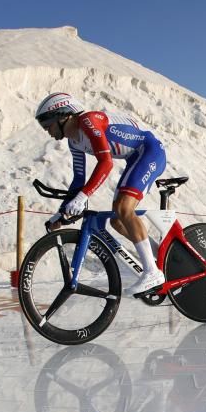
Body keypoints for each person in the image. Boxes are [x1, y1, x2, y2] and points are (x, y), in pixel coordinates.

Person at [35, 92, 167, 296]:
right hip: (135, 158)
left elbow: (106, 163)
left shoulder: (88, 121)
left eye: (48, 126)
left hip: (149, 151)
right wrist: (62, 213)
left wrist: (82, 197)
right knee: (118, 221)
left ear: (63, 116)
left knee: (124, 208)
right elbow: (78, 180)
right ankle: (161, 254)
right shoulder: (73, 142)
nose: (48, 132)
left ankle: (152, 271)